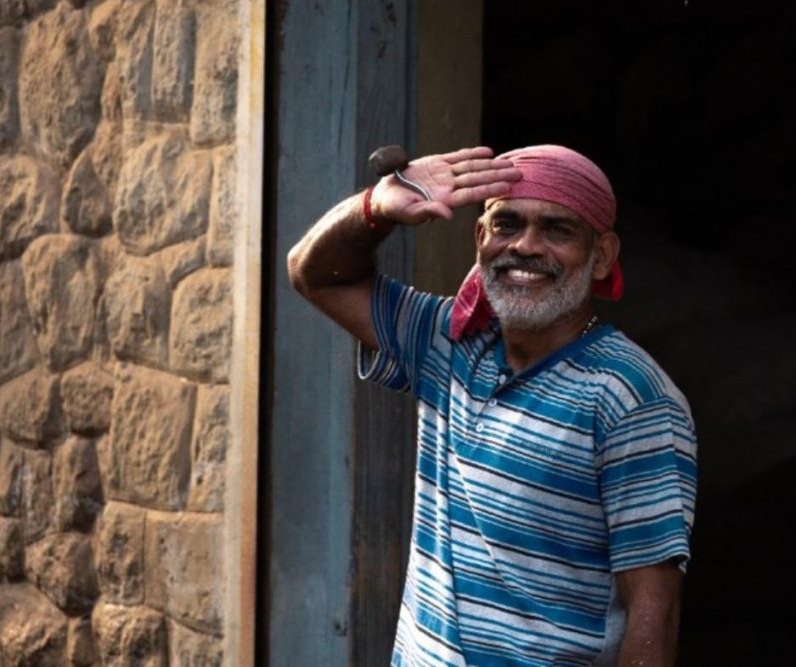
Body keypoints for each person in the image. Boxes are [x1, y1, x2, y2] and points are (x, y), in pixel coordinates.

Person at [288, 145, 697, 666]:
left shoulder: (632, 398)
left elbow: (652, 610)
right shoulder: (446, 343)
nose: (525, 246)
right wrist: (376, 207)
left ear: (603, 255)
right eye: (507, 224)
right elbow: (313, 273)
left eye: (557, 230)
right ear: (480, 238)